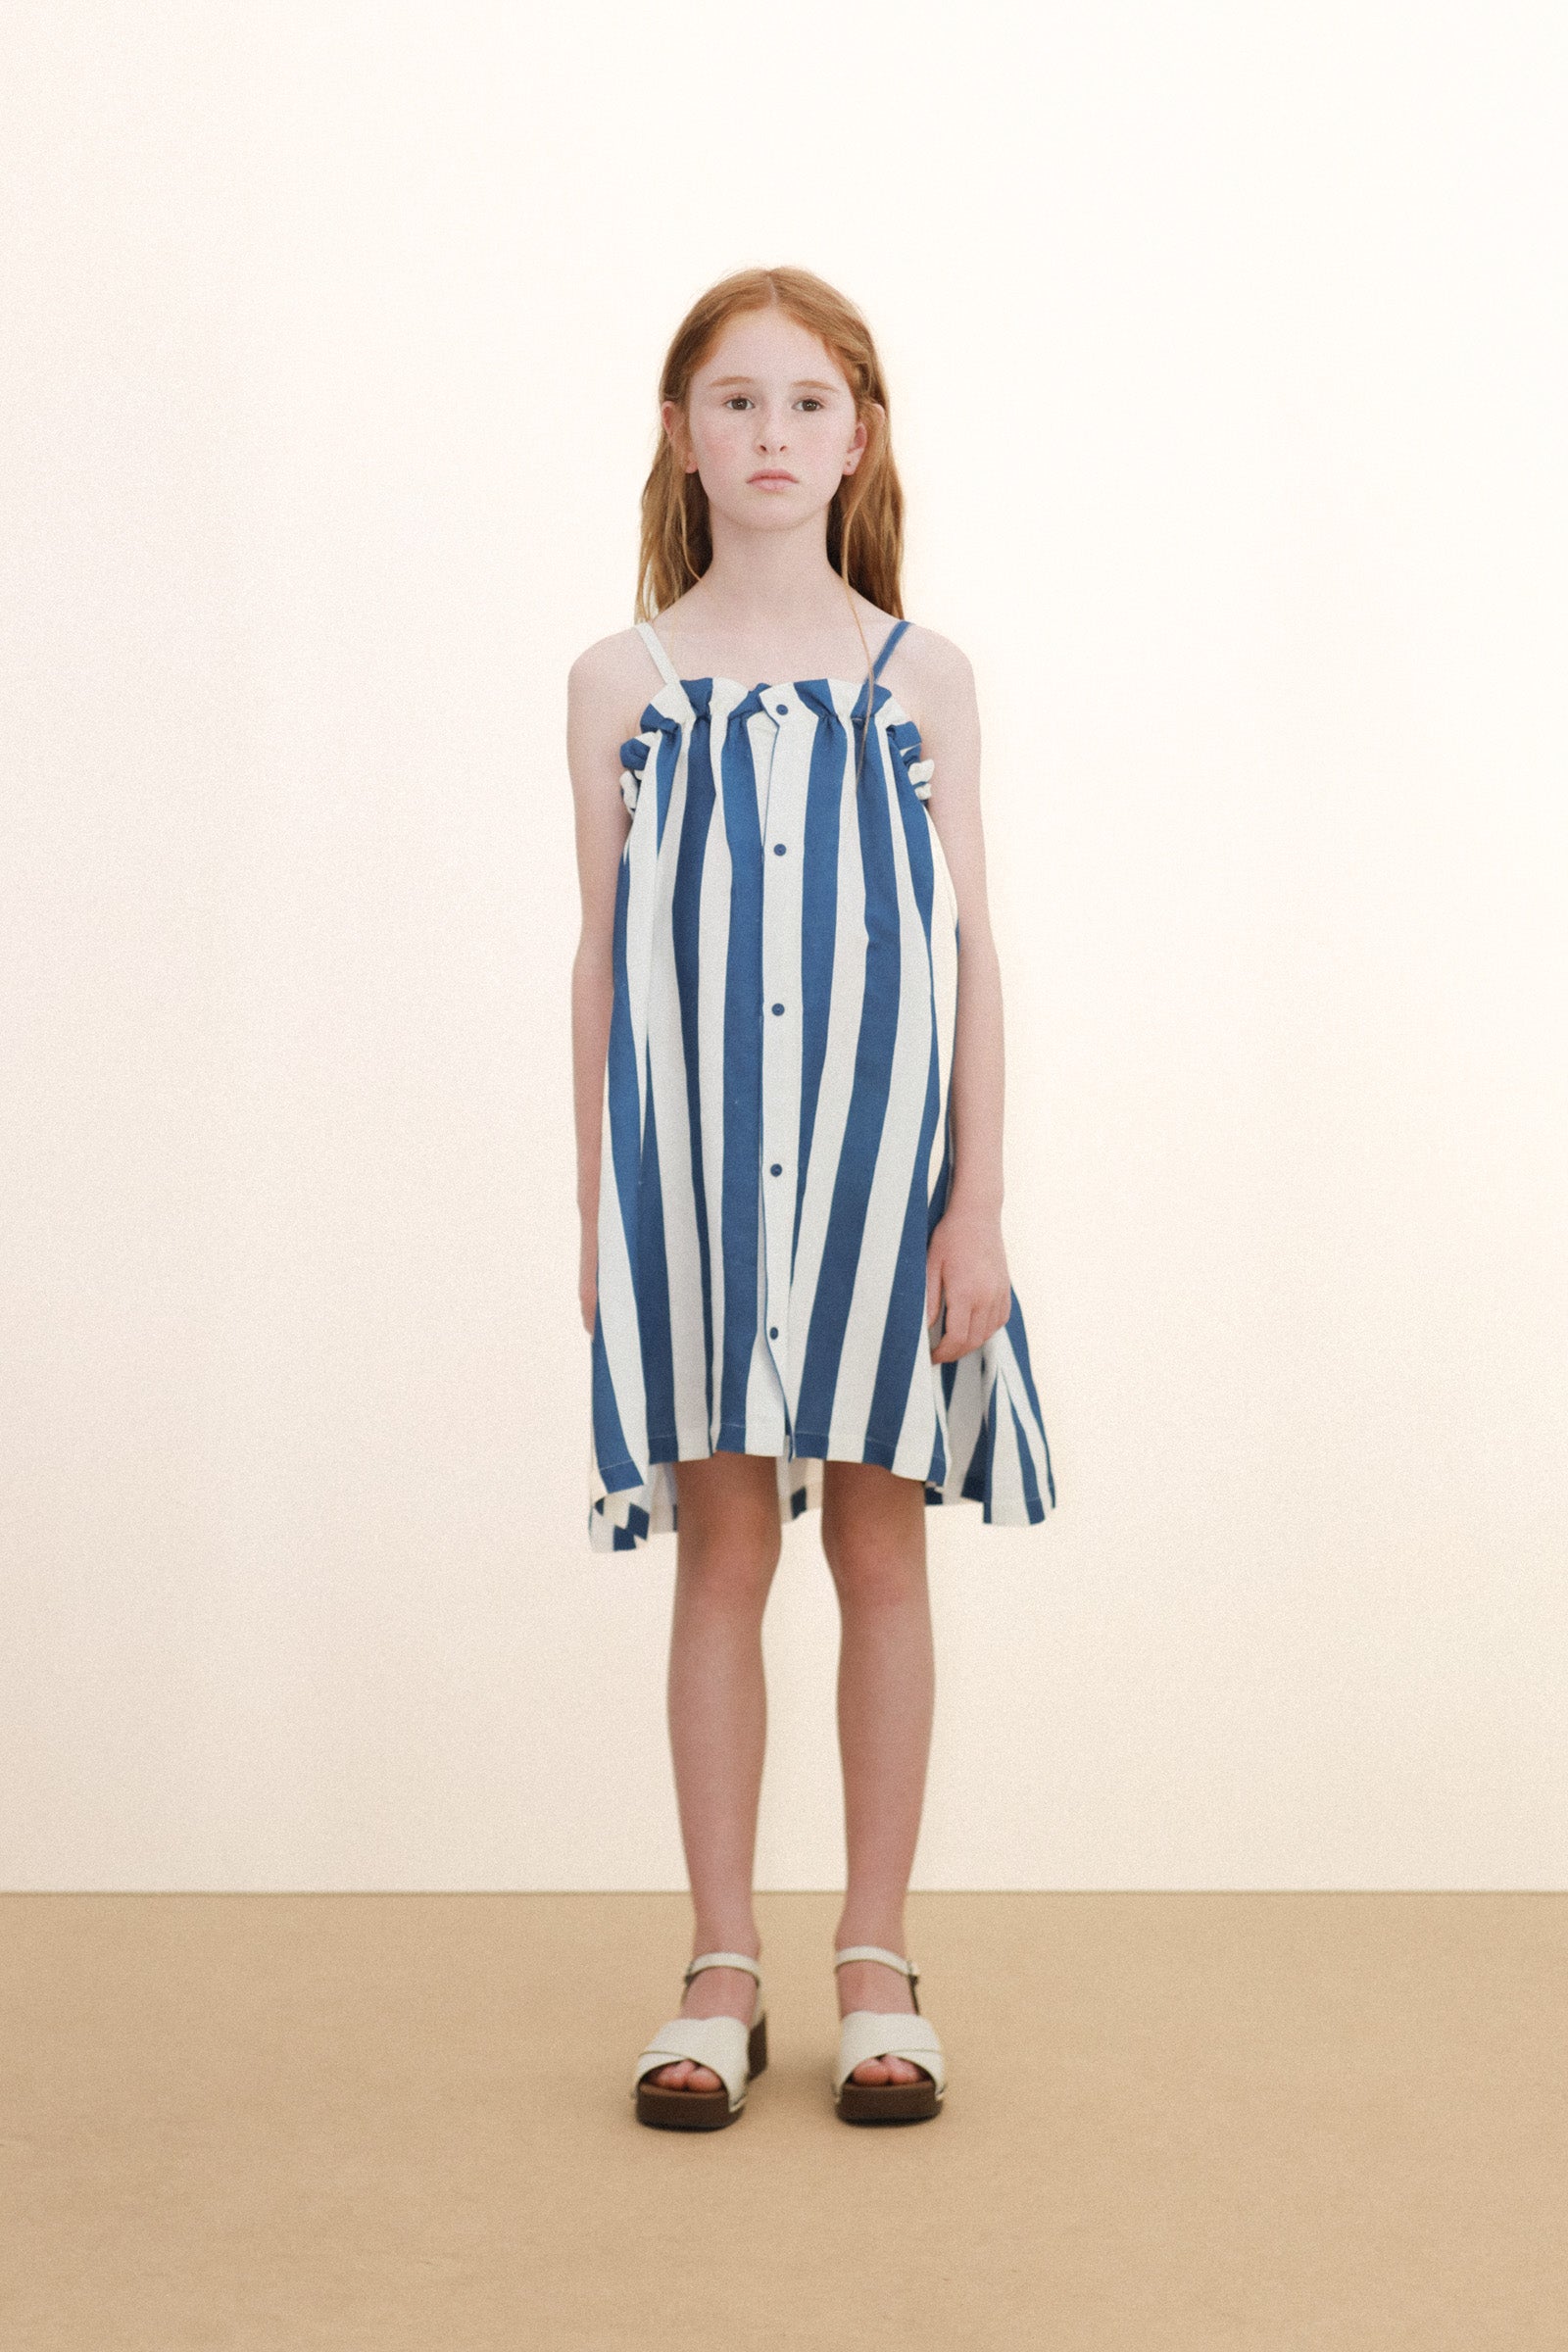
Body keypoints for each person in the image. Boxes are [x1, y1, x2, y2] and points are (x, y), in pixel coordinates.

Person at [566, 267, 1055, 2128]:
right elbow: (602, 962)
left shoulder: (919, 681)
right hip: (697, 1193)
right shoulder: (623, 687)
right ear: (681, 434)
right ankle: (719, 1966)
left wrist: (976, 1207)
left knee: (877, 1546)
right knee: (723, 1552)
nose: (771, 433)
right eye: (735, 400)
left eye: (807, 402)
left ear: (858, 438)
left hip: (882, 1184)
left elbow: (972, 953)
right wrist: (602, 1218)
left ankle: (875, 1960)